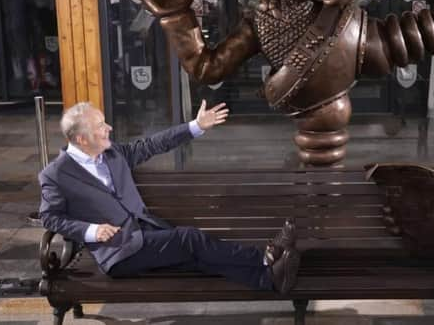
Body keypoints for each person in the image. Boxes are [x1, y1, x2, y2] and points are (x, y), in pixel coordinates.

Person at [38, 100, 300, 294]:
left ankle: (269, 280)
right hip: (118, 252)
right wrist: (91, 231)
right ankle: (264, 258)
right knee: (189, 238)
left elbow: (152, 145)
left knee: (196, 257)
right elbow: (49, 217)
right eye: (100, 125)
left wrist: (196, 126)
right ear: (82, 139)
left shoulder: (113, 153)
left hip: (146, 233)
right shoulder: (55, 175)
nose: (109, 127)